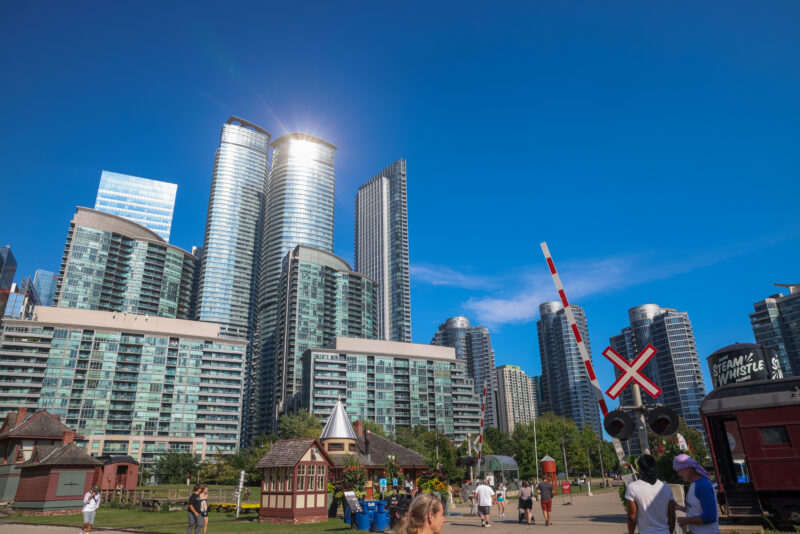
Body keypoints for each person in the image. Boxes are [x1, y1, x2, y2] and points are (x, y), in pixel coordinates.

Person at [625, 455, 676, 534]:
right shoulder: (666, 488)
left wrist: (631, 532)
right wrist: (669, 532)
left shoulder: (633, 487)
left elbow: (632, 517)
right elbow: (672, 515)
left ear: (639, 468)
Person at [673, 454, 720, 534]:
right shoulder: (694, 484)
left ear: (686, 468)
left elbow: (710, 517)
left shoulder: (702, 485)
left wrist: (686, 521)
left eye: (679, 471)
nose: (679, 474)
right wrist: (680, 507)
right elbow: (696, 510)